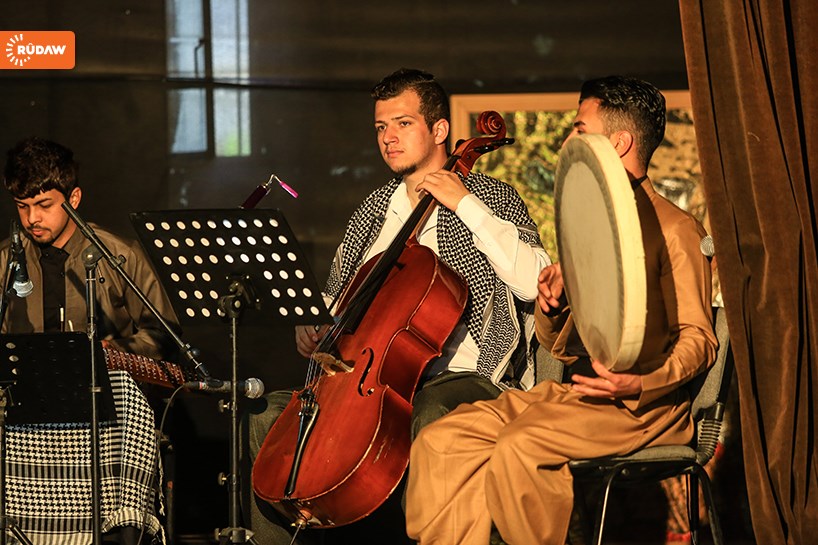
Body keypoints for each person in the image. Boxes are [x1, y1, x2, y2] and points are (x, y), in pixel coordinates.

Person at [404, 75, 719, 544]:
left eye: (579, 127)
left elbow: (700, 339)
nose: (568, 138)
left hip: (640, 407)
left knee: (519, 448)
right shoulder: (594, 231)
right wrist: (554, 304)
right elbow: (561, 347)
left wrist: (641, 383)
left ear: (619, 142)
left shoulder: (676, 230)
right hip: (578, 397)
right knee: (442, 441)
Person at [246, 68, 550, 543]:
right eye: (381, 127)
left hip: (463, 377)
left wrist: (465, 203)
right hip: (366, 381)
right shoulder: (373, 211)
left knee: (431, 418)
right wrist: (310, 321)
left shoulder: (491, 196)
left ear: (439, 130)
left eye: (403, 124)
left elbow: (534, 281)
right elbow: (340, 296)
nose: (388, 138)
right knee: (266, 417)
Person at [0, 137, 180, 545]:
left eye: (44, 205)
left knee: (125, 395)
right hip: (27, 404)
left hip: (103, 399)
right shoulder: (6, 261)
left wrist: (113, 353)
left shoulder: (117, 254)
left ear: (74, 198)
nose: (32, 219)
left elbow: (162, 331)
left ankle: (120, 527)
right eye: (22, 207)